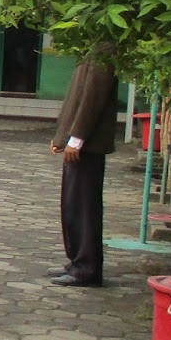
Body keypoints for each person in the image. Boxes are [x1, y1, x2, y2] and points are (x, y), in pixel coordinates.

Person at [50, 44, 119, 287]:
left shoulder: (103, 47)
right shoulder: (89, 44)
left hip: (88, 143)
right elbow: (76, 96)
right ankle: (77, 260)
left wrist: (77, 138)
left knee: (83, 207)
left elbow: (94, 96)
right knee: (72, 204)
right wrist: (62, 136)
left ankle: (86, 267)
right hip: (78, 141)